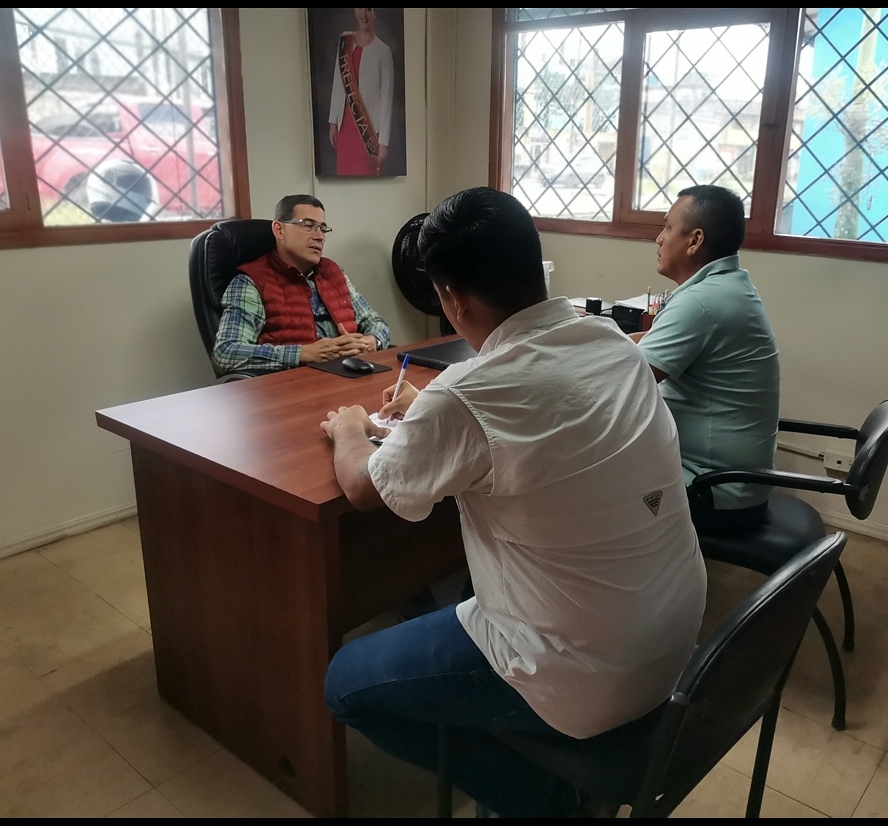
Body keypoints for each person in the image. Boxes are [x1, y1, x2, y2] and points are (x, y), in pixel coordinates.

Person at [319, 187, 706, 817]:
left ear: (453, 299)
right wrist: (432, 414)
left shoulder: (464, 393)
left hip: (581, 673)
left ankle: (541, 801)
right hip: (674, 639)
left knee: (344, 684)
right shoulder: (611, 341)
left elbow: (364, 488)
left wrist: (349, 429)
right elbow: (543, 418)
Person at [637, 184, 781, 535]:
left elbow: (625, 381)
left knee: (584, 484)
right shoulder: (726, 287)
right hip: (730, 482)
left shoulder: (701, 303)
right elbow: (646, 346)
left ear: (695, 240)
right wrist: (593, 337)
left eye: (667, 227)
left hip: (711, 490)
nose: (659, 238)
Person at [211, 194, 390, 376]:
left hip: (351, 376)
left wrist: (371, 341)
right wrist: (303, 354)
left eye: (323, 229)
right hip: (297, 384)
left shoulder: (333, 272)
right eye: (308, 225)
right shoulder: (251, 282)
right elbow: (225, 353)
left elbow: (376, 322)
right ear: (279, 230)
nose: (319, 236)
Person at [328, 8, 394, 176]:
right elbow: (338, 82)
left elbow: (387, 100)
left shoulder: (383, 51)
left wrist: (383, 142)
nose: (364, 14)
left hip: (368, 133)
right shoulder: (345, 40)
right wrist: (333, 122)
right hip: (344, 130)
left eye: (369, 9)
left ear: (374, 12)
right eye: (360, 8)